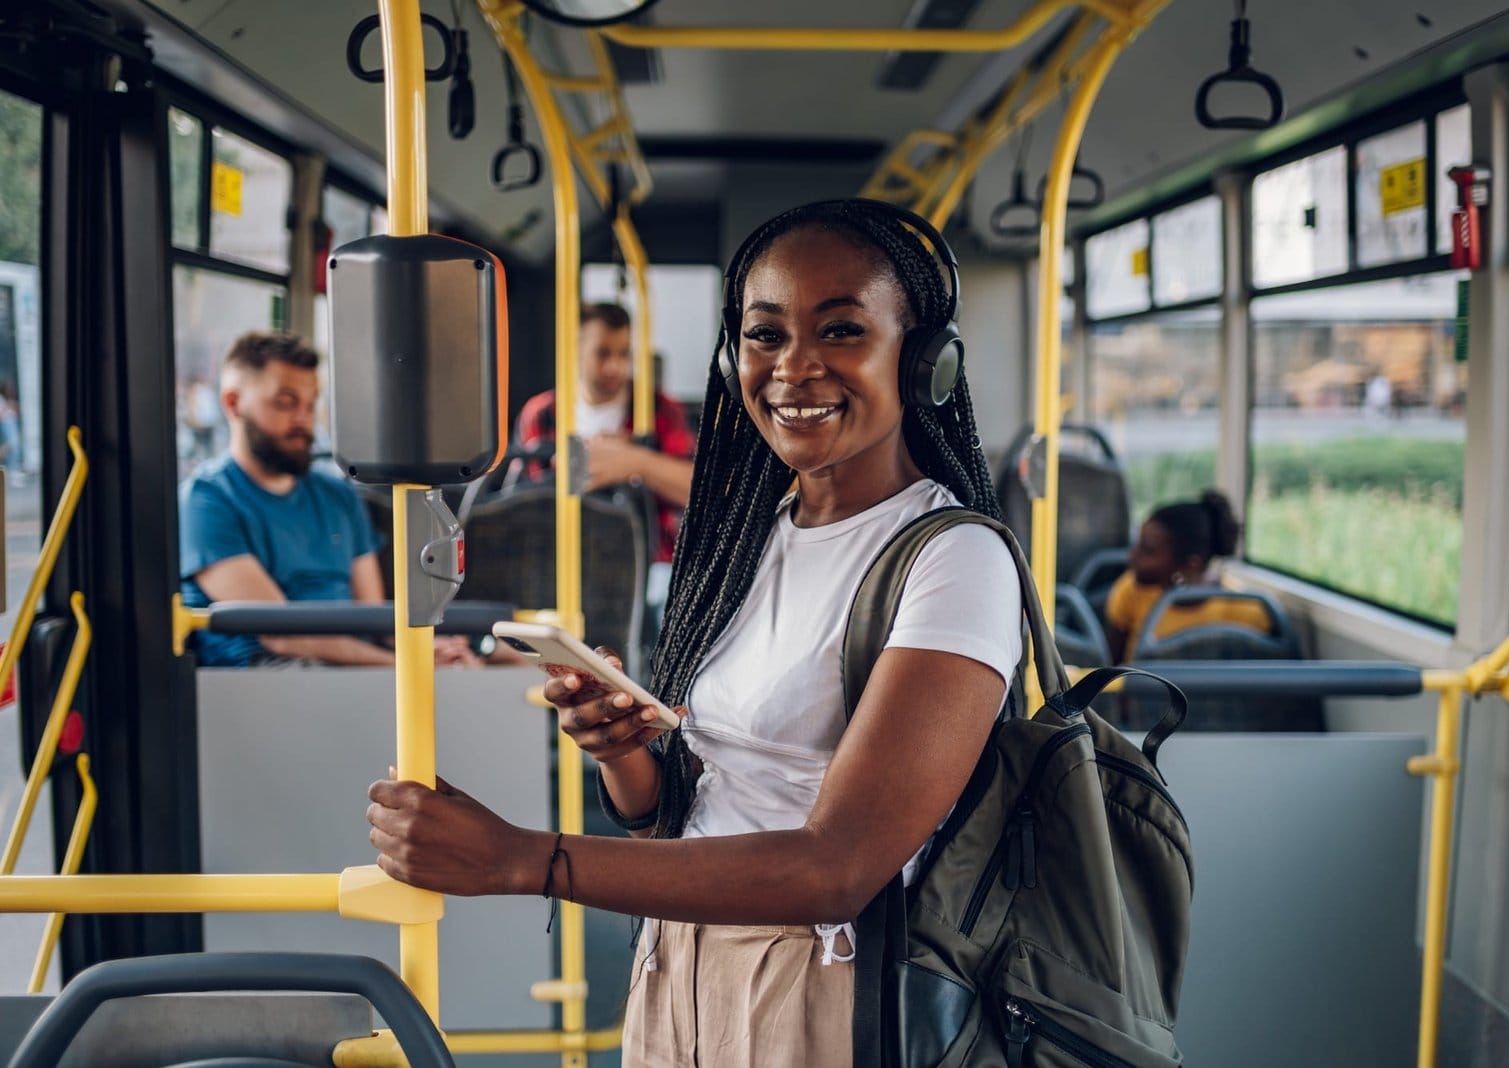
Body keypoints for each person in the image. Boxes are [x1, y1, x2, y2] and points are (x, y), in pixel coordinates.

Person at [367, 199, 1024, 1066]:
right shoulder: (749, 536)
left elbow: (838, 867)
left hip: (825, 990)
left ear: (923, 361)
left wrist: (523, 860)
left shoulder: (957, 561)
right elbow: (684, 819)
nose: (793, 368)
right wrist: (623, 752)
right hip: (677, 957)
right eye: (765, 335)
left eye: (840, 330)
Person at [180, 331, 478, 669]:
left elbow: (372, 617)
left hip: (354, 662)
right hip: (267, 673)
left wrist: (431, 651)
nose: (303, 421)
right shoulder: (205, 503)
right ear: (233, 403)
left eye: (310, 405)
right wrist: (401, 667)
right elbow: (281, 635)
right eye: (285, 403)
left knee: (487, 658)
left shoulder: (338, 495)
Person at [514, 302, 696, 562]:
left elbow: (697, 491)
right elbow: (520, 496)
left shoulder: (658, 410)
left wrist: (634, 461)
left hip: (647, 556)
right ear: (575, 350)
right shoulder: (541, 413)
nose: (615, 367)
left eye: (624, 354)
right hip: (557, 555)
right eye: (602, 354)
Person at [1105, 489, 1270, 661]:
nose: (1132, 557)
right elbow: (1112, 665)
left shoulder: (1244, 608)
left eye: (1148, 551)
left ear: (1191, 564)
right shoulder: (1130, 591)